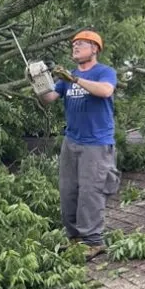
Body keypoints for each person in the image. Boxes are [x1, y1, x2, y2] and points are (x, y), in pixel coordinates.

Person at [35, 30, 120, 258]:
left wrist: (75, 80)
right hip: (71, 142)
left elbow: (105, 91)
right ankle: (75, 239)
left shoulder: (105, 72)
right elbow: (49, 100)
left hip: (97, 143)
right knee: (68, 191)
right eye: (73, 44)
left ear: (95, 49)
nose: (75, 47)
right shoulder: (67, 77)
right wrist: (38, 82)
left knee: (91, 193)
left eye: (81, 44)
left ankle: (94, 241)